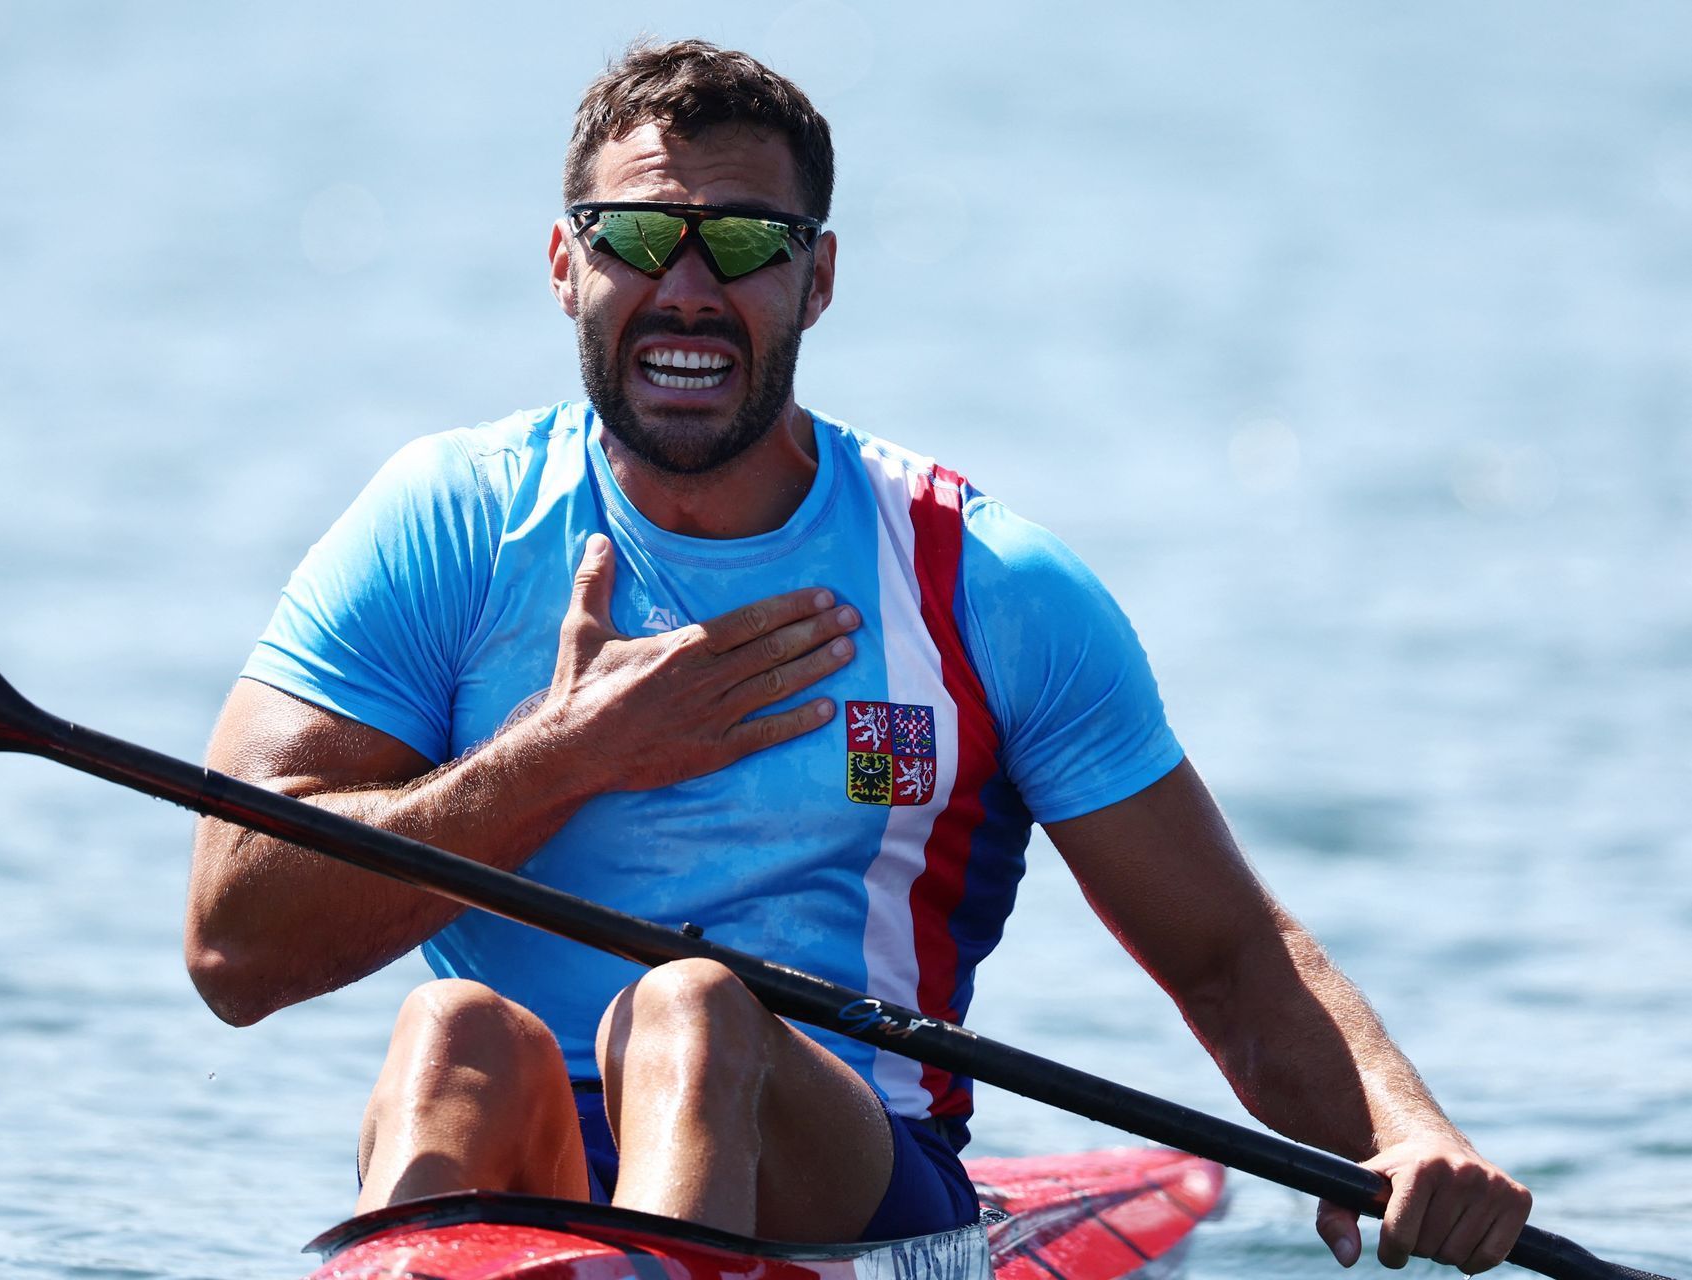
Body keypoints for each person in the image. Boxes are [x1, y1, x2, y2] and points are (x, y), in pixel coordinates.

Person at [185, 39, 1531, 1272]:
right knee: (452, 1032)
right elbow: (234, 950)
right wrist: (561, 759)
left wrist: (1402, 1135)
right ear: (564, 264)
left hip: (851, 1183)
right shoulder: (446, 525)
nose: (689, 289)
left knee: (693, 1013)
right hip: (525, 1159)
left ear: (814, 278)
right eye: (640, 236)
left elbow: (1229, 956)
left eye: (746, 244)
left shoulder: (982, 585)